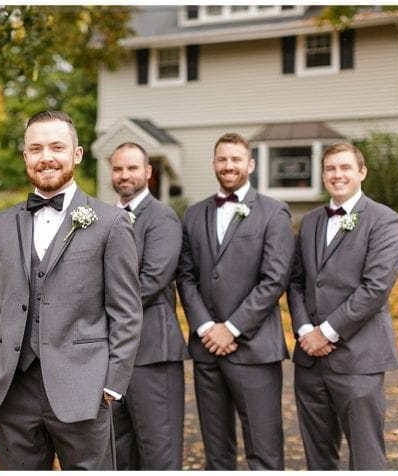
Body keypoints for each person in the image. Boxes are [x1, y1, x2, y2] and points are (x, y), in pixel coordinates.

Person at [0, 110, 142, 470]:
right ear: (26, 157)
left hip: (85, 390)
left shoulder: (110, 222)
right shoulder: (1, 224)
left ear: (76, 154)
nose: (46, 157)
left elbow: (125, 311)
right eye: (36, 148)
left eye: (57, 147)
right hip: (12, 388)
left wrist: (111, 386)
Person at [176, 132, 294, 470]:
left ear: (250, 164)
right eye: (223, 160)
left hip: (255, 349)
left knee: (264, 450)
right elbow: (186, 276)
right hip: (206, 350)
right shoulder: (195, 214)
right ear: (214, 164)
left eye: (236, 160)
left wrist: (232, 328)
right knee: (216, 451)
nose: (229, 166)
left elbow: (275, 280)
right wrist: (206, 328)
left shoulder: (274, 213)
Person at [286, 142, 398, 469]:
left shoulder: (383, 220)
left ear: (361, 172)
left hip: (358, 360)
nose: (337, 175)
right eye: (330, 169)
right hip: (309, 361)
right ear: (323, 175)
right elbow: (296, 282)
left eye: (345, 167)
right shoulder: (309, 222)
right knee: (318, 458)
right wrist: (305, 330)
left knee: (366, 458)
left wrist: (327, 332)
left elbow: (375, 288)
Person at [108, 142, 188, 470]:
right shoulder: (103, 217)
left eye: (131, 168)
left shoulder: (162, 218)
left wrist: (96, 309)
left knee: (159, 452)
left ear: (147, 172)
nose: (124, 175)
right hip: (111, 355)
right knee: (117, 450)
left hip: (153, 352)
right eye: (118, 169)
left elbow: (152, 280)